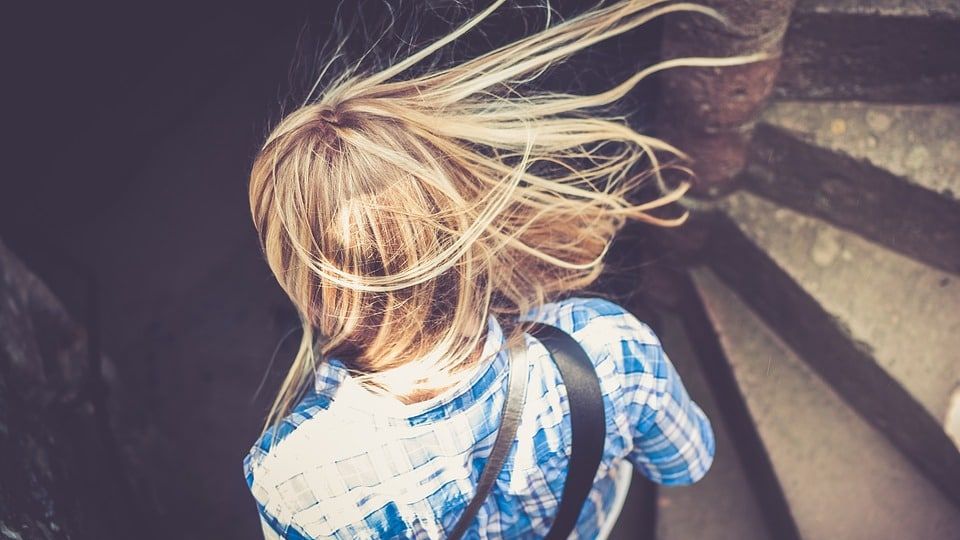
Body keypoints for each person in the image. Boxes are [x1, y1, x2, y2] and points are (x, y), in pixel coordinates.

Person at [243, 1, 750, 537]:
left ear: (317, 295)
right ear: (469, 234)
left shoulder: (294, 479)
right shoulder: (608, 349)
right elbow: (687, 461)